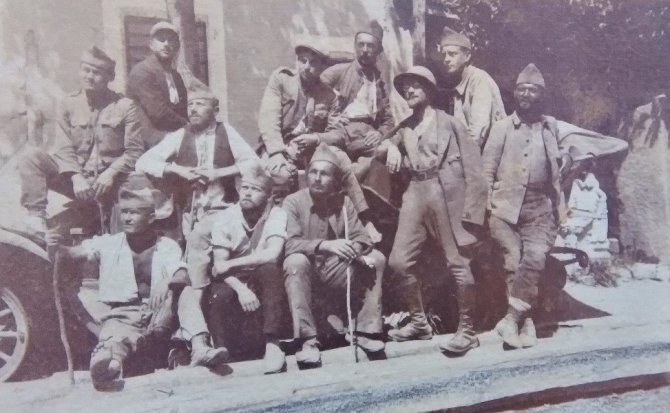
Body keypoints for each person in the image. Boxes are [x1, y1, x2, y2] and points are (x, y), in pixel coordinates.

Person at [49, 177, 225, 388]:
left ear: (151, 217)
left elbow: (182, 274)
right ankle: (109, 366)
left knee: (184, 290)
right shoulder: (108, 243)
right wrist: (55, 246)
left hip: (159, 314)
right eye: (124, 212)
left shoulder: (167, 246)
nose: (127, 218)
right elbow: (72, 253)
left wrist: (167, 281)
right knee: (114, 341)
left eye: (134, 213)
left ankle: (200, 347)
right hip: (123, 316)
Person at [378, 66, 486, 356]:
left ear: (429, 90)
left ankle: (468, 331)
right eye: (405, 87)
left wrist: (472, 216)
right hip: (416, 190)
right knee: (398, 262)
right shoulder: (404, 127)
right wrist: (390, 146)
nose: (409, 91)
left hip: (447, 192)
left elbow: (476, 172)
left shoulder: (450, 124)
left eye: (415, 85)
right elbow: (378, 148)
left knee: (458, 262)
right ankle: (419, 323)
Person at [483, 64, 568, 349]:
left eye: (532, 90)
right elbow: (487, 170)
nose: (526, 94)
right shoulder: (501, 128)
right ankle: (526, 321)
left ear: (541, 95)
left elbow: (569, 151)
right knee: (513, 259)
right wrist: (486, 207)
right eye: (521, 89)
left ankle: (512, 319)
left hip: (540, 209)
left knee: (535, 257)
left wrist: (569, 157)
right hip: (504, 209)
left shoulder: (551, 127)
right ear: (515, 93)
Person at [258, 42, 380, 241]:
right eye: (302, 60)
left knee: (340, 159)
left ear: (323, 67)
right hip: (280, 145)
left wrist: (316, 139)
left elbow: (337, 134)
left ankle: (364, 219)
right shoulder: (281, 80)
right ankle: (275, 232)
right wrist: (277, 152)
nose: (307, 67)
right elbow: (268, 118)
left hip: (310, 148)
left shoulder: (329, 95)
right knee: (279, 174)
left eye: (314, 62)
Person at [19, 46, 144, 237]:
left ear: (110, 77)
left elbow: (134, 151)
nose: (90, 76)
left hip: (111, 185)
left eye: (97, 72)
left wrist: (110, 173)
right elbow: (63, 147)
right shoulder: (68, 103)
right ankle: (36, 216)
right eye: (86, 70)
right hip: (77, 182)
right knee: (32, 156)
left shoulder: (125, 107)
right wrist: (76, 177)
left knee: (119, 233)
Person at [282, 145, 386, 368]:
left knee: (376, 258)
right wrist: (326, 245)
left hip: (335, 270)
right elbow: (289, 244)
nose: (317, 178)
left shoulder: (344, 202)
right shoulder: (293, 202)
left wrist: (354, 248)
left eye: (324, 174)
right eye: (313, 172)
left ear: (335, 180)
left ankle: (364, 332)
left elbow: (363, 238)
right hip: (306, 272)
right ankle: (308, 341)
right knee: (295, 261)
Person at [135, 88, 258, 241]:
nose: (193, 109)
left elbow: (255, 164)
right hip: (189, 211)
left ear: (215, 110)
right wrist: (178, 170)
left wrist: (219, 173)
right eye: (190, 105)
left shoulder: (227, 131)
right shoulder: (181, 134)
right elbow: (143, 162)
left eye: (200, 104)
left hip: (224, 208)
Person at [203, 164, 288, 374]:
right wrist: (241, 289)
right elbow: (219, 266)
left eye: (256, 189)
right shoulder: (225, 217)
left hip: (259, 273)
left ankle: (273, 344)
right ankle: (220, 349)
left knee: (270, 271)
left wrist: (232, 263)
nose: (248, 193)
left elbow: (272, 254)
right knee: (219, 292)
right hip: (232, 279)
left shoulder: (277, 214)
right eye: (245, 188)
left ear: (269, 196)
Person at [320, 20, 395, 168]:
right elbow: (315, 90)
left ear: (378, 50)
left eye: (370, 46)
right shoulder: (339, 71)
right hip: (340, 130)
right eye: (361, 44)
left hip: (366, 135)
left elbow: (388, 120)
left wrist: (380, 133)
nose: (365, 50)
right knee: (324, 162)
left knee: (389, 159)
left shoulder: (380, 82)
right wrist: (330, 116)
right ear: (355, 46)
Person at [439, 27, 505, 150]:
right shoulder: (457, 81)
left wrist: (461, 156)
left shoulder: (479, 80)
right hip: (474, 150)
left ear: (467, 56)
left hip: (493, 152)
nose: (446, 59)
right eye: (444, 55)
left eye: (452, 54)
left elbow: (478, 131)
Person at [127, 21, 188, 148]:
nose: (166, 44)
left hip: (173, 137)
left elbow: (183, 109)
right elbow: (159, 114)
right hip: (147, 142)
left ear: (177, 46)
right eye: (161, 39)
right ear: (151, 45)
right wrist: (189, 127)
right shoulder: (142, 71)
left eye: (171, 40)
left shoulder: (176, 76)